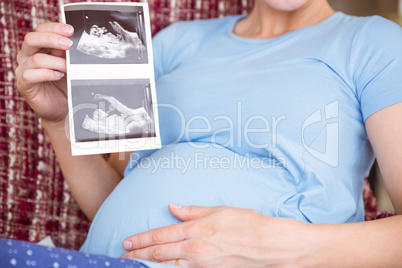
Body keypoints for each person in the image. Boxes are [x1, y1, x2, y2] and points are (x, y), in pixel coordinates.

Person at [15, 0, 402, 267]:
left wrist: (275, 246)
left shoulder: (374, 43)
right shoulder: (174, 43)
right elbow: (116, 204)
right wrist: (60, 121)